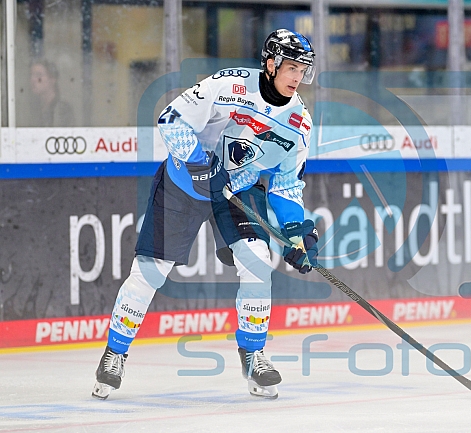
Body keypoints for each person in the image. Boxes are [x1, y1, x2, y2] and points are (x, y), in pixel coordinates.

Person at [91, 29, 319, 401]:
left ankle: (254, 357)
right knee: (149, 271)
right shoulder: (227, 85)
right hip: (184, 184)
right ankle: (114, 354)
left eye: (303, 70)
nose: (297, 77)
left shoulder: (299, 123)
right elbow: (171, 120)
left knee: (258, 262)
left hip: (235, 192)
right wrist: (201, 163)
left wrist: (297, 231)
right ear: (271, 62)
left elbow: (285, 185)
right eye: (292, 67)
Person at [29, 60, 75, 127]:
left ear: (52, 79)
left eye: (38, 75)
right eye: (31, 75)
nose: (32, 79)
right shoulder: (36, 109)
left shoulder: (62, 109)